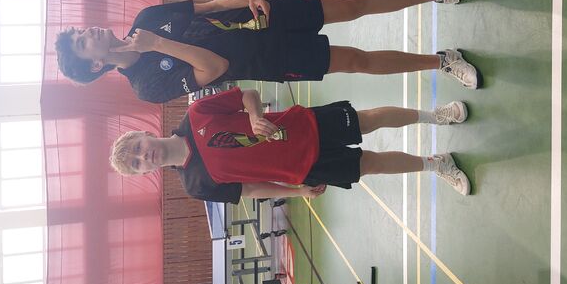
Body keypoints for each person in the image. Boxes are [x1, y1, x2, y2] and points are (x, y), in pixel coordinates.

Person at [54, 0, 484, 105]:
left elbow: (205, 8)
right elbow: (215, 68)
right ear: (95, 65)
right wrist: (158, 46)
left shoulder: (146, 18)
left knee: (353, 5)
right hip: (267, 59)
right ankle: (441, 61)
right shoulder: (146, 86)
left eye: (80, 30)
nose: (87, 31)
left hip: (265, 15)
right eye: (81, 43)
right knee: (358, 60)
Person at [109, 86, 472, 198]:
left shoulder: (196, 114)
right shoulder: (195, 184)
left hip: (303, 125)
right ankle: (435, 163)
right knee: (371, 164)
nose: (145, 157)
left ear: (145, 134)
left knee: (369, 120)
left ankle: (436, 115)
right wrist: (298, 192)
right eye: (138, 164)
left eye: (138, 148)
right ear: (145, 173)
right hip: (304, 168)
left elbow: (247, 95)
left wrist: (255, 115)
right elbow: (251, 189)